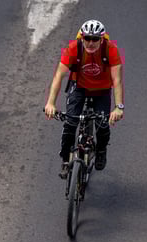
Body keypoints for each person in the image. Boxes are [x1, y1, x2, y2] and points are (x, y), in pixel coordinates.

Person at [44, 19, 124, 179]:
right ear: (82, 37)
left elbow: (117, 80)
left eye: (95, 39)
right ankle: (66, 161)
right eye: (87, 38)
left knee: (102, 125)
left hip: (102, 90)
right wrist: (50, 103)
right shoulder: (74, 48)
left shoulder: (111, 50)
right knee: (70, 123)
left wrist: (118, 107)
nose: (90, 42)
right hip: (79, 87)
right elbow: (59, 75)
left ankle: (101, 150)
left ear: (102, 39)